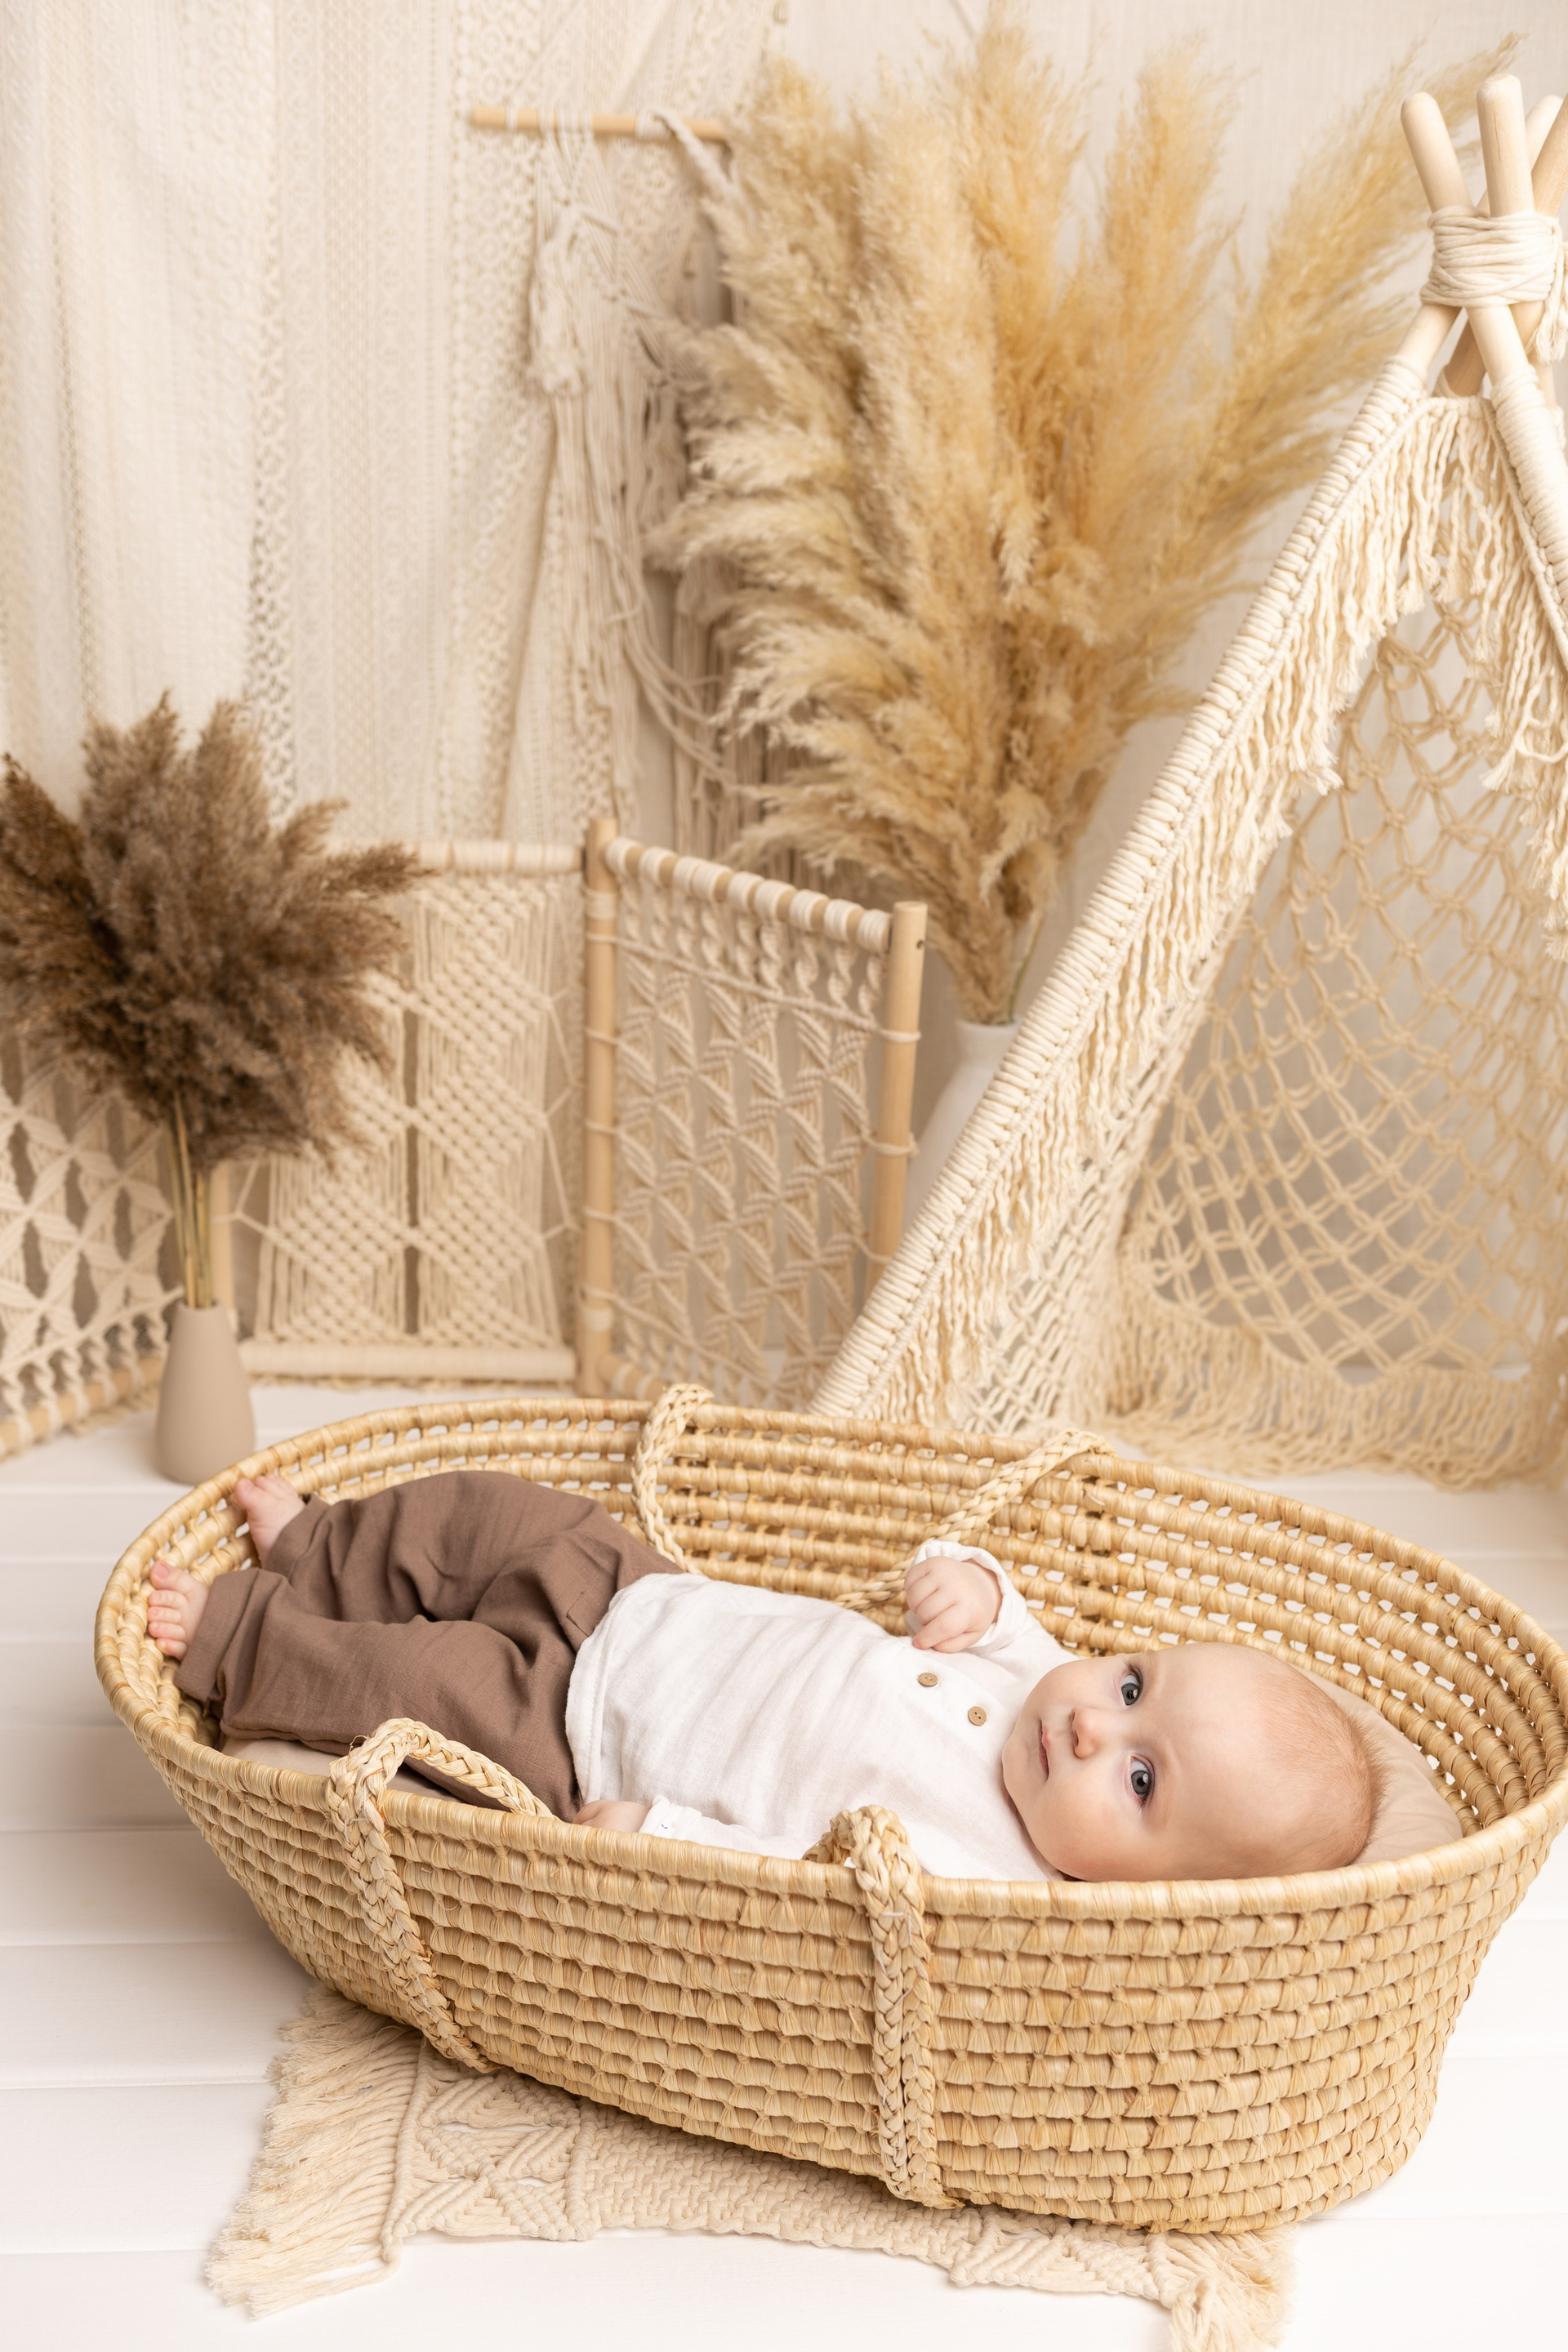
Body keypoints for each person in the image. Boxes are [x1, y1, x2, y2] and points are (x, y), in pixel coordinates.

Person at [145, 1468, 1374, 1883]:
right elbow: (995, 1601)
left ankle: (238, 1641)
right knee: (481, 1518)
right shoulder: (1050, 1681)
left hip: (573, 1732)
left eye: (1143, 1781)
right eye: (1136, 1686)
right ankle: (320, 1544)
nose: (1100, 1728)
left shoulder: (982, 1878)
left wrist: (661, 1832)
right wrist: (969, 1584)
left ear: (1151, 1894)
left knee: (402, 1683)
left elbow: (798, 1880)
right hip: (644, 1594)